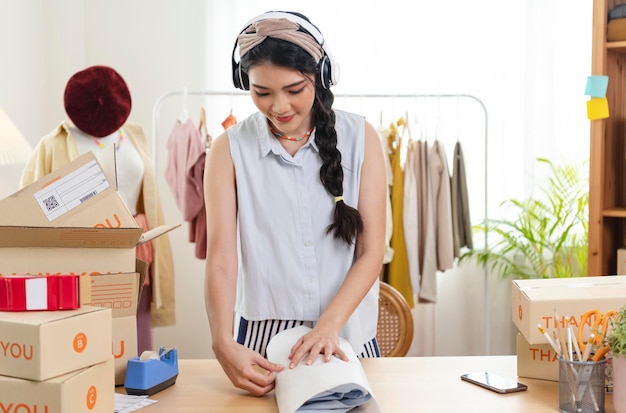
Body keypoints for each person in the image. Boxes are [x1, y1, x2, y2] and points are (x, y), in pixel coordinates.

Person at [204, 11, 387, 396]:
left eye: (294, 89)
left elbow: (371, 252)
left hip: (345, 331)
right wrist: (221, 340)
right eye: (262, 92)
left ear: (319, 79)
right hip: (262, 338)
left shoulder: (361, 137)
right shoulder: (228, 149)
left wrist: (328, 325)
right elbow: (220, 256)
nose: (279, 106)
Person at [19, 65, 176, 354]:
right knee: (86, 339)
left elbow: (146, 198)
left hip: (135, 248)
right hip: (84, 252)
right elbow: (31, 205)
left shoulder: (132, 137)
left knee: (134, 341)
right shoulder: (53, 145)